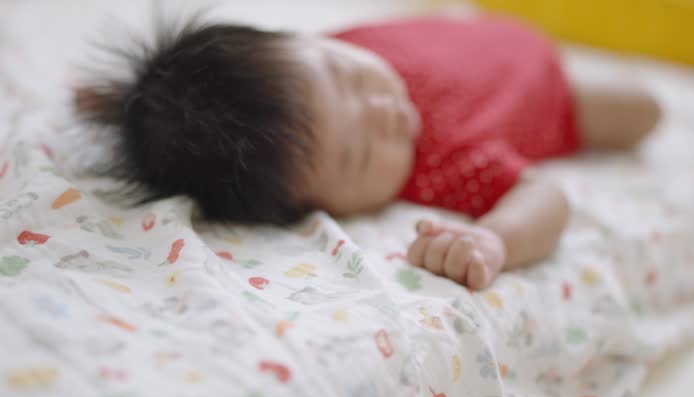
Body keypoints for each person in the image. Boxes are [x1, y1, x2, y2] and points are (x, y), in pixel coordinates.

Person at [75, 16, 661, 290]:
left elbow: (210, 97)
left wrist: (132, 101)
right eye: (358, 154)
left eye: (349, 78)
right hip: (553, 93)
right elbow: (546, 196)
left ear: (303, 40)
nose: (381, 111)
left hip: (485, 28)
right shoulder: (437, 166)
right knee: (642, 111)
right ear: (319, 207)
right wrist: (498, 239)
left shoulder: (314, 62)